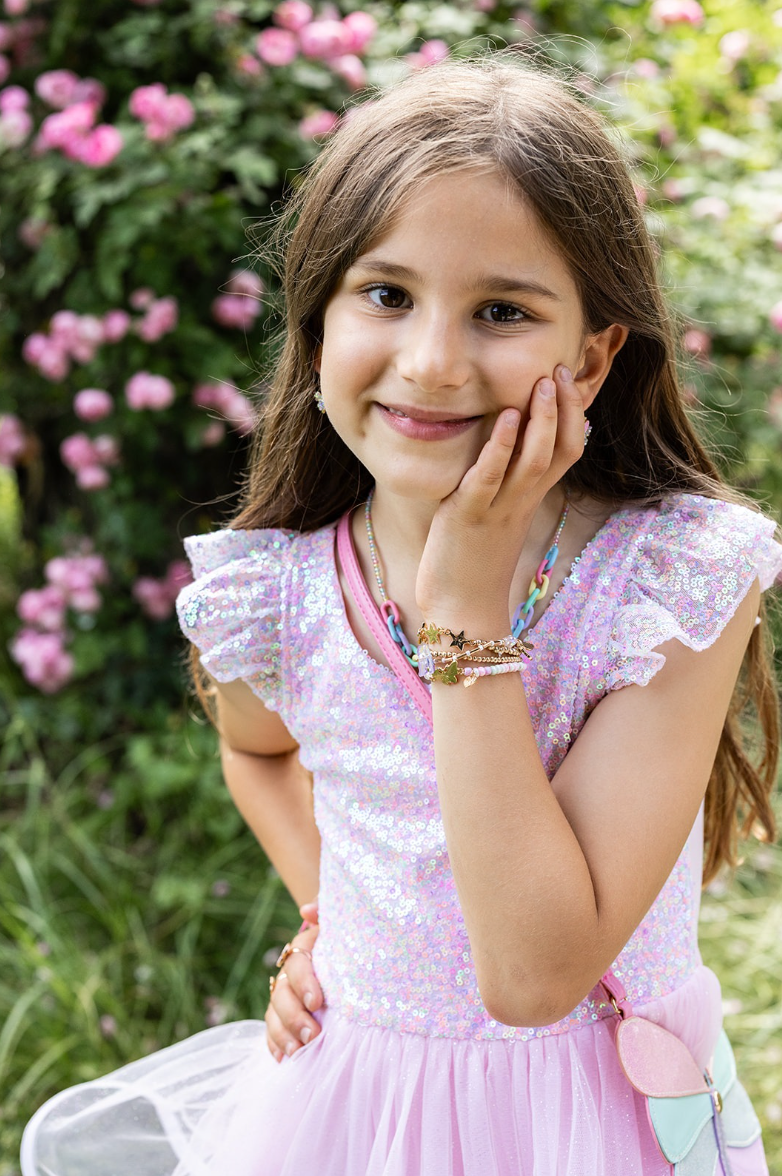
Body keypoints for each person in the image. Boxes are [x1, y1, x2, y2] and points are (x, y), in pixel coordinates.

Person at [21, 51, 782, 1176]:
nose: (430, 363)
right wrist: (337, 916)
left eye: (500, 311)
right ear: (317, 321)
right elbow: (260, 754)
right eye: (385, 294)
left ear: (590, 354)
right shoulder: (270, 594)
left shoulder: (666, 586)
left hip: (590, 1121)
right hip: (348, 1116)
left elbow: (533, 976)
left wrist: (465, 606)